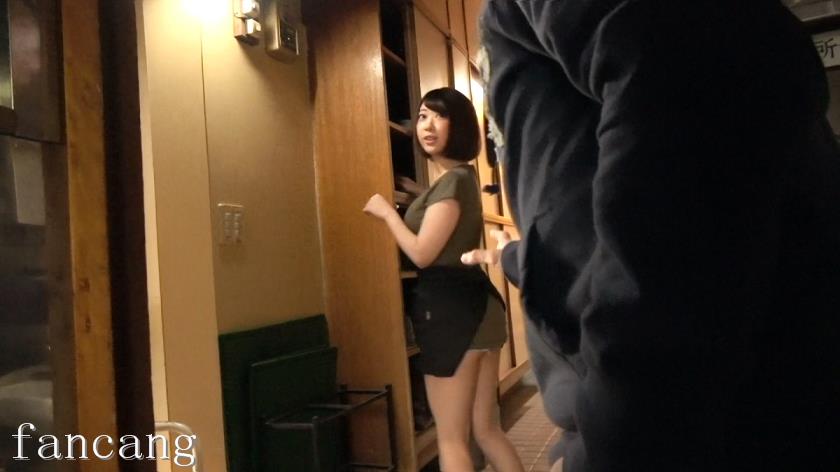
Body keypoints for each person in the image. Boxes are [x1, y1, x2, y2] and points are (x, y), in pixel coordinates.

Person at [461, 1, 840, 471]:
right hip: (718, 409)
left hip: (718, 425)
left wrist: (617, 441)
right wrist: (519, 258)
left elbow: (697, 75)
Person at [363, 87, 525, 472]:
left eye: (440, 116)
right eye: (422, 116)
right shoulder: (459, 179)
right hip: (479, 308)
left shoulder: (452, 181)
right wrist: (416, 195)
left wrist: (388, 214)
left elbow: (422, 253)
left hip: (453, 314)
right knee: (486, 430)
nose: (428, 125)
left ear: (460, 125)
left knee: (451, 439)